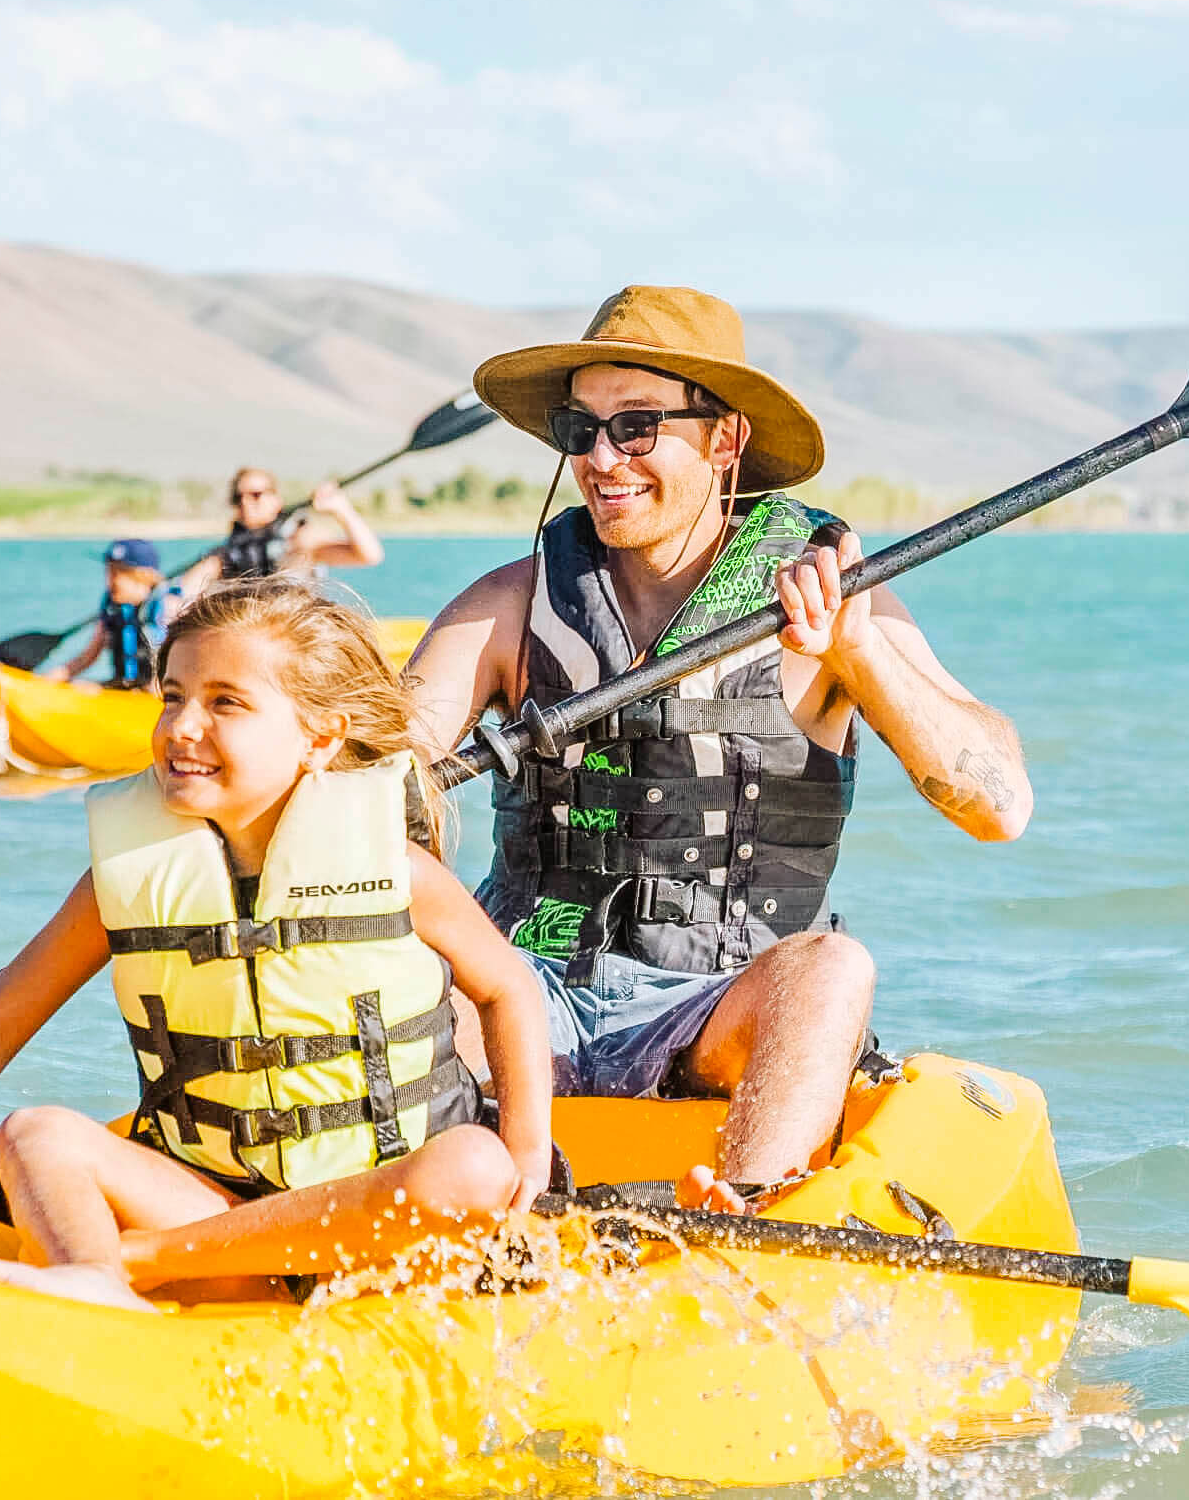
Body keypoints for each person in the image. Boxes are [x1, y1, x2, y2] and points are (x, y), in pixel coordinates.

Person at [406, 285, 1031, 1214]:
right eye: (582, 431)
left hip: (715, 1006)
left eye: (638, 427)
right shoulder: (511, 602)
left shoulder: (831, 599)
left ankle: (743, 1230)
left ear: (726, 440)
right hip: (517, 990)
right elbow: (385, 754)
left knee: (833, 968)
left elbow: (1000, 807)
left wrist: (856, 648)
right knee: (388, 945)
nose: (602, 460)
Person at [0, 578, 554, 1310]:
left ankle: (132, 1261)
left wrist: (528, 1161)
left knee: (472, 1166)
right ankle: (99, 1277)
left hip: (379, 1237)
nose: (182, 726)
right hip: (217, 1213)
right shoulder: (129, 877)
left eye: (225, 701)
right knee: (35, 1133)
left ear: (320, 737)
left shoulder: (396, 868)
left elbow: (507, 988)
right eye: (172, 695)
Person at [180, 470, 384, 594]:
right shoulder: (225, 555)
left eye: (256, 495)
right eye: (238, 497)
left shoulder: (300, 541)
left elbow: (369, 555)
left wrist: (341, 510)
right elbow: (183, 590)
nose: (246, 502)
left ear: (276, 499)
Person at [46, 538, 177, 690]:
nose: (110, 581)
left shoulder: (167, 607)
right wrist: (49, 679)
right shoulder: (112, 607)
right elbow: (86, 658)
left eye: (118, 573)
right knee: (79, 687)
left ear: (143, 577)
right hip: (124, 688)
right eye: (108, 572)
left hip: (156, 692)